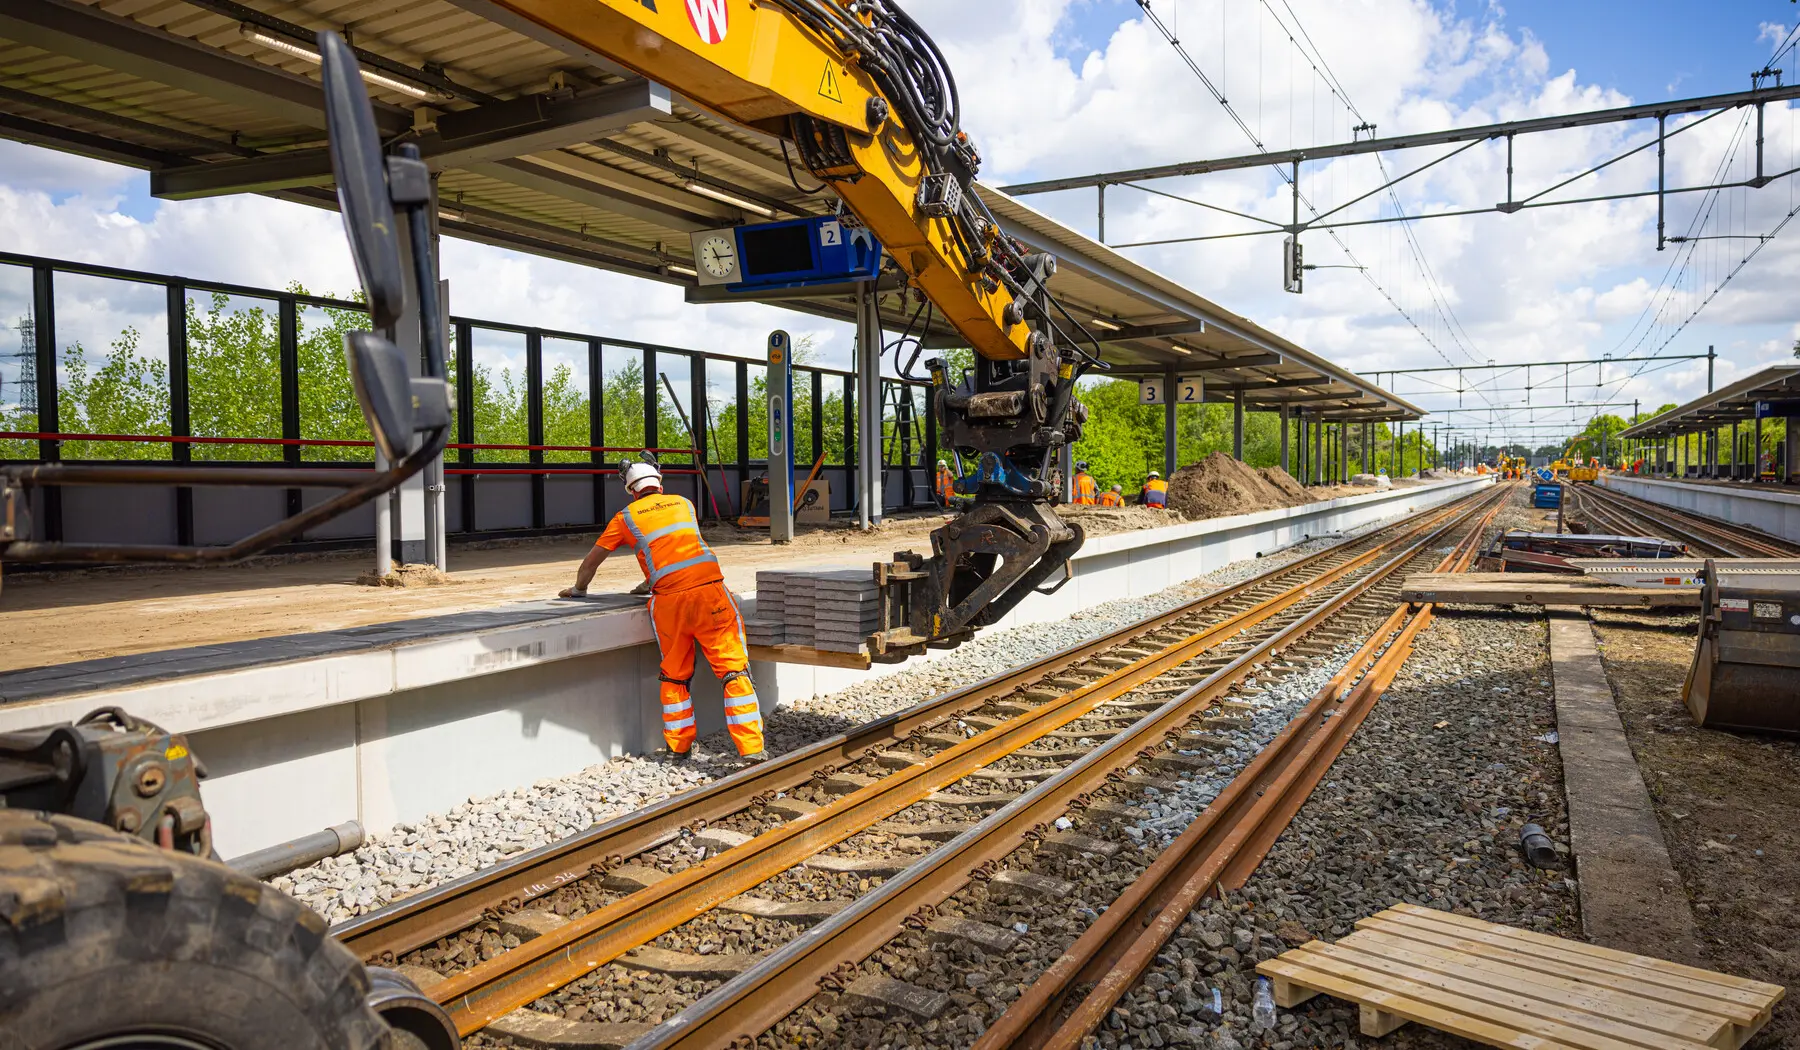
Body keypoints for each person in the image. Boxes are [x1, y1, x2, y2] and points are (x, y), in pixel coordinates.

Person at [560, 461, 765, 763]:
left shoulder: (625, 517)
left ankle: (678, 748)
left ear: (631, 490)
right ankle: (751, 751)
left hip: (669, 603)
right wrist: (651, 579)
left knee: (675, 676)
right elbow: (678, 547)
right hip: (711, 595)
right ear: (659, 483)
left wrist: (578, 589)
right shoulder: (684, 504)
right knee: (733, 671)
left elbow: (591, 563)